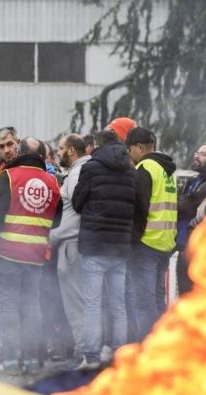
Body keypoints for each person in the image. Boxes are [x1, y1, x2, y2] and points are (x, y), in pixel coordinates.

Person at [0, 137, 62, 374]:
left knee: (9, 306)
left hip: (8, 252)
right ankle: (30, 359)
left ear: (20, 151)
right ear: (42, 155)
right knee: (32, 307)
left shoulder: (9, 176)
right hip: (37, 254)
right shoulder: (52, 181)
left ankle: (10, 361)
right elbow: (57, 218)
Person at [72, 130, 138, 369]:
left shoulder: (91, 168)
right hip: (120, 246)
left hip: (95, 245)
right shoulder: (131, 170)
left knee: (92, 304)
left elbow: (77, 202)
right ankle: (119, 355)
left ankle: (91, 356)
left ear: (98, 144)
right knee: (118, 305)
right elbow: (138, 206)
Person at [125, 127, 178, 341]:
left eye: (130, 150)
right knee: (157, 300)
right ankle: (163, 345)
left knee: (144, 303)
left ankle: (147, 348)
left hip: (146, 244)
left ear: (138, 147)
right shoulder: (167, 171)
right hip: (164, 243)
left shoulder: (145, 168)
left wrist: (133, 241)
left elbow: (139, 208)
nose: (130, 156)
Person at [49, 134, 91, 361]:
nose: (58, 152)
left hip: (70, 246)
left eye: (61, 148)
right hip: (74, 244)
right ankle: (85, 350)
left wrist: (52, 236)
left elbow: (76, 215)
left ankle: (83, 351)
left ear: (72, 151)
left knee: (75, 303)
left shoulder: (77, 174)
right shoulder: (80, 171)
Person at [176, 144, 206, 295]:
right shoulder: (193, 181)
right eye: (197, 152)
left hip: (198, 249)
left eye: (203, 154)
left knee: (193, 294)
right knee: (183, 292)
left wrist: (182, 202)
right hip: (184, 245)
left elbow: (189, 206)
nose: (196, 156)